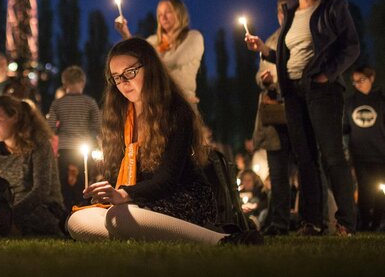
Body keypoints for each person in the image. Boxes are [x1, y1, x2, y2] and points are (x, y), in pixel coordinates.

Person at [66, 38, 262, 244]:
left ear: (150, 69)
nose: (123, 82)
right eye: (116, 77)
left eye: (130, 72)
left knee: (119, 216)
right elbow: (118, 175)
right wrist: (107, 193)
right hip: (136, 201)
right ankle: (136, 232)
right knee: (79, 220)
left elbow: (167, 180)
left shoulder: (176, 112)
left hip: (180, 196)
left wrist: (123, 195)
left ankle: (222, 240)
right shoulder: (118, 117)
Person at [245, 0, 359, 236]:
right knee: (305, 157)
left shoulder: (333, 6)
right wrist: (265, 50)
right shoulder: (291, 12)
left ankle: (346, 221)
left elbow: (351, 46)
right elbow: (288, 56)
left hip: (322, 89)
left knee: (332, 155)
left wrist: (326, 75)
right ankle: (312, 222)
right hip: (292, 91)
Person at [251, 0, 298, 236]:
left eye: (288, 10)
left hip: (297, 110)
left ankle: (313, 219)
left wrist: (278, 79)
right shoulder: (271, 38)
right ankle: (279, 221)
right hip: (274, 114)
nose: (283, 15)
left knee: (306, 170)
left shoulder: (301, 36)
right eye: (280, 11)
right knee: (277, 172)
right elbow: (261, 73)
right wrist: (264, 79)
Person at [0, 95, 65, 236]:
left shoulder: (38, 144)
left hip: (42, 208)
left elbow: (41, 191)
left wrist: (11, 215)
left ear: (14, 117)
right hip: (7, 212)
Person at [114, 0, 203, 106]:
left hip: (181, 101)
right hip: (156, 101)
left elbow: (175, 60)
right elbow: (137, 58)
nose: (163, 17)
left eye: (168, 12)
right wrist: (126, 34)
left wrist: (147, 62)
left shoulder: (193, 37)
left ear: (180, 13)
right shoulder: (153, 41)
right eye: (160, 14)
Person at [46, 65, 101, 211]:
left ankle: (66, 212)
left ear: (64, 84)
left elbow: (50, 127)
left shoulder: (57, 103)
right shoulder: (90, 102)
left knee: (64, 182)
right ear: (82, 82)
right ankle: (82, 209)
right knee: (83, 181)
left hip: (64, 149)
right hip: (83, 148)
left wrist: (59, 131)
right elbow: (97, 125)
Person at [343, 65, 385, 231]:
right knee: (365, 191)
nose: (358, 84)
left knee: (380, 191)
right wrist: (347, 154)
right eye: (355, 82)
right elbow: (345, 130)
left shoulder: (381, 101)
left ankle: (377, 223)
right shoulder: (350, 103)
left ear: (371, 78)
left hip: (381, 155)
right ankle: (365, 224)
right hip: (360, 156)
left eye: (361, 80)